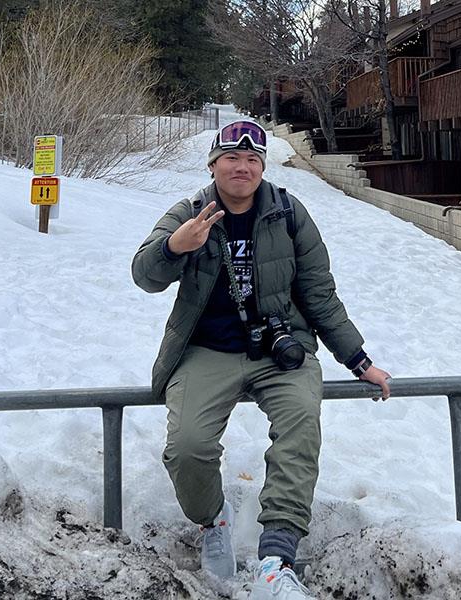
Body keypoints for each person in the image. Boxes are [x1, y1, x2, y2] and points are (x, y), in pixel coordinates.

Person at [132, 120, 391, 599]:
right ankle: (213, 519)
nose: (243, 167)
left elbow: (319, 293)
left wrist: (358, 360)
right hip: (207, 349)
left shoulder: (289, 213)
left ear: (263, 167)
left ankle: (277, 557)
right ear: (213, 165)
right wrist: (174, 247)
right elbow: (144, 276)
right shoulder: (190, 212)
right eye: (232, 158)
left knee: (300, 431)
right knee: (187, 447)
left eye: (252, 159)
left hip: (281, 349)